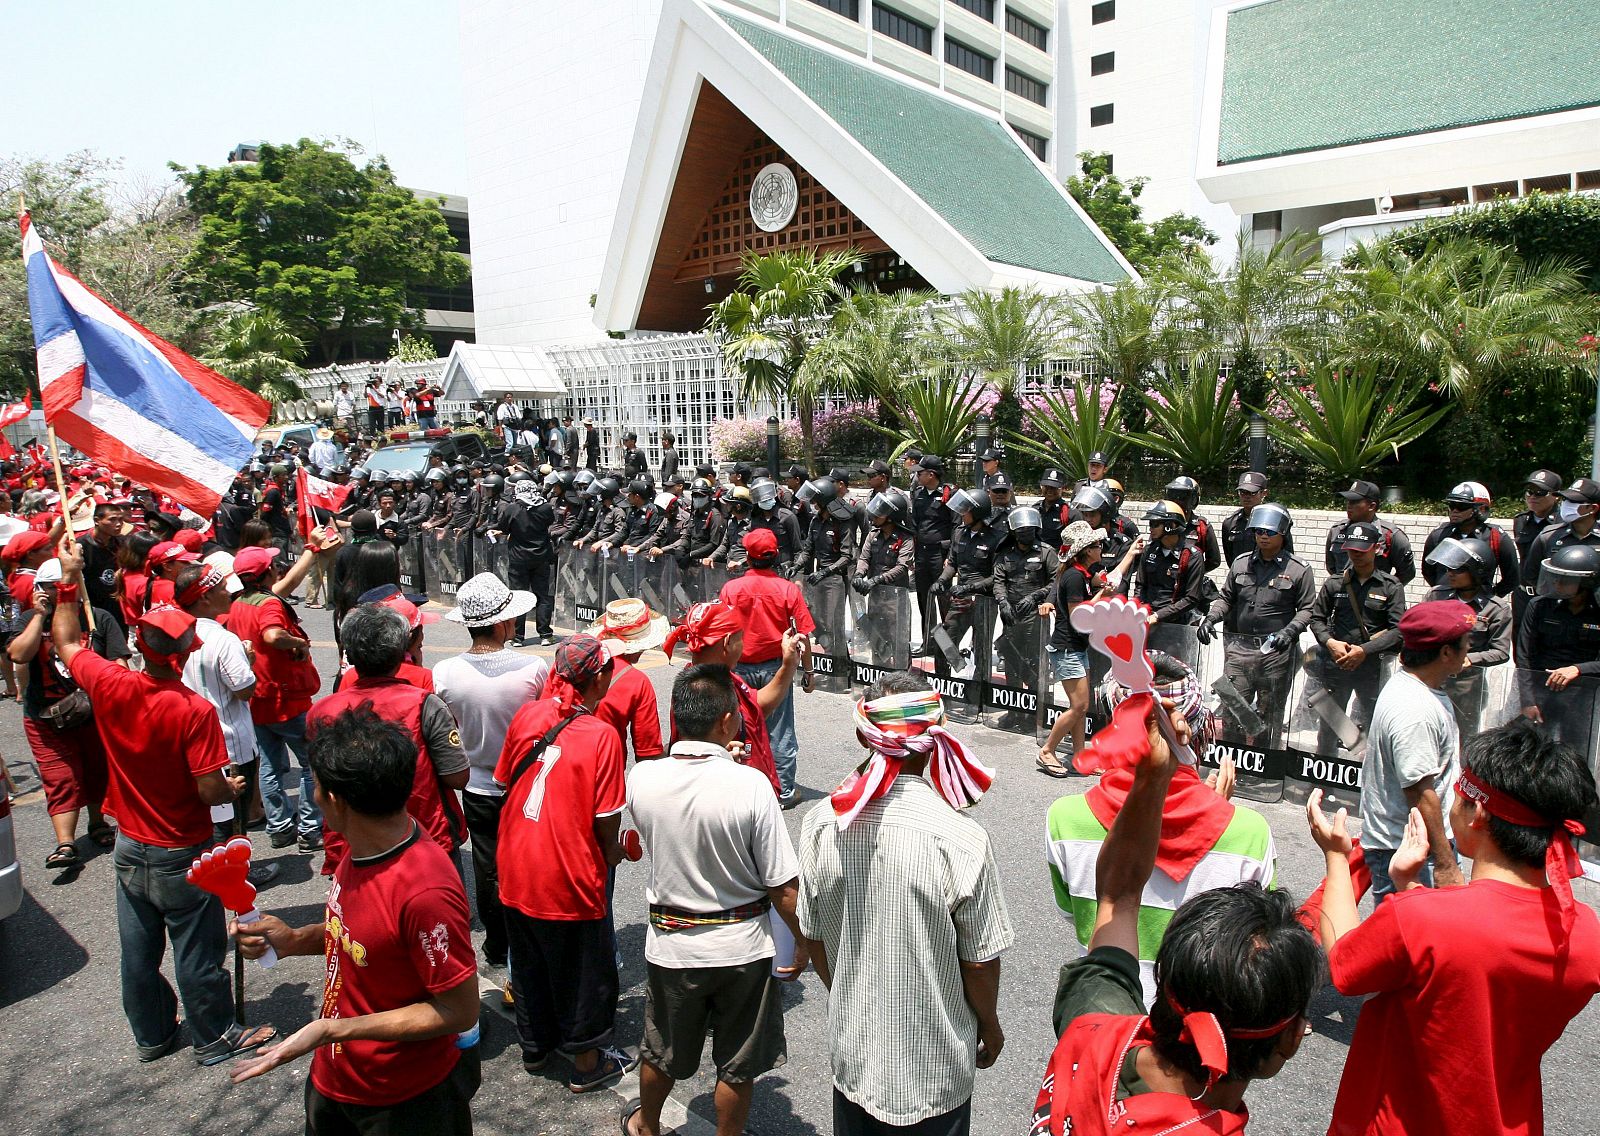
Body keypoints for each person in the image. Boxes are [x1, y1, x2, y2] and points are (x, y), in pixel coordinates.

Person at [1035, 696, 1320, 1136]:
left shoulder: (1090, 1032)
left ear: (1165, 985)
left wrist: (1153, 776)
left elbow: (1117, 897)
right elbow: (1120, 898)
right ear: (1290, 1040)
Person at [1307, 717, 1600, 1136]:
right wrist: (1409, 888)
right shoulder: (1585, 932)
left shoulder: (1425, 919)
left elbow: (1344, 965)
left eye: (1458, 792)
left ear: (1478, 811)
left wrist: (1336, 857)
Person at [52, 538, 277, 1064]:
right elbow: (207, 788)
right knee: (197, 948)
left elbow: (65, 641)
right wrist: (232, 788)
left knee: (138, 950)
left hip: (130, 842)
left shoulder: (108, 682)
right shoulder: (193, 712)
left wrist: (68, 578)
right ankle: (215, 1035)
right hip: (182, 845)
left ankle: (152, 1034)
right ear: (186, 651)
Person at [229, 705, 482, 1133]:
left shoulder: (424, 891)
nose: (310, 794)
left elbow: (459, 1011)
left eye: (315, 784)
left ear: (336, 799)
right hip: (336, 1082)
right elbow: (359, 935)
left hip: (403, 1102)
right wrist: (292, 940)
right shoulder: (364, 843)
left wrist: (334, 1030)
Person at [798, 671, 1009, 1136]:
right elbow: (979, 963)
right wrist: (989, 1026)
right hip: (935, 1070)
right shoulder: (960, 837)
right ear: (936, 739)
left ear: (863, 735)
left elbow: (812, 936)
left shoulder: (821, 823)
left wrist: (849, 995)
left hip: (856, 1058)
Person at [621, 664, 807, 1136]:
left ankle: (646, 1124)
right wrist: (806, 943)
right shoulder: (751, 787)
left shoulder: (641, 779)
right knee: (736, 1063)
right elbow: (782, 887)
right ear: (727, 720)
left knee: (661, 1049)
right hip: (741, 948)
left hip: (672, 946)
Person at [1045, 653, 1274, 1007]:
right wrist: (1220, 811)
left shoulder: (1066, 818)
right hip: (1198, 1035)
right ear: (1196, 727)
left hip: (1106, 1018)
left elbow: (1076, 914)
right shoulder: (1250, 833)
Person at [493, 635, 633, 1091]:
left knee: (530, 961)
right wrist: (615, 852)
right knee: (583, 971)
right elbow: (606, 820)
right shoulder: (602, 735)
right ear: (597, 679)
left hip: (516, 860)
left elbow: (502, 782)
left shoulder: (529, 714)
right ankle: (588, 1063)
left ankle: (535, 1049)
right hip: (567, 870)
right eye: (608, 669)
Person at [434, 574, 548, 969]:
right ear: (501, 624)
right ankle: (529, 939)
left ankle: (497, 945)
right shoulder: (533, 668)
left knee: (486, 866)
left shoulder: (445, 673)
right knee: (531, 861)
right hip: (526, 781)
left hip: (476, 783)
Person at [310, 604, 469, 876]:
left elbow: (323, 786)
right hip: (424, 834)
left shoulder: (321, 711)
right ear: (400, 651)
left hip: (355, 842)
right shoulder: (425, 704)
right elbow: (457, 776)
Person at [10, 555, 128, 872]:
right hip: (45, 715)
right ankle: (65, 843)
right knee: (60, 778)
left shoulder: (97, 618)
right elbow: (19, 654)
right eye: (50, 587)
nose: (60, 591)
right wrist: (38, 616)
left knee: (95, 770)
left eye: (65, 586)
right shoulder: (28, 620)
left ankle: (97, 823)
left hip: (93, 712)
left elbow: (119, 661)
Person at [1360, 600, 1473, 899]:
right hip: (1410, 850)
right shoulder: (1415, 710)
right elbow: (1420, 792)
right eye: (1465, 644)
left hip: (1416, 846)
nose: (1469, 650)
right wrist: (1445, 862)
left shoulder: (1417, 690)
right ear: (1446, 652)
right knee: (1410, 943)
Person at [230, 543, 329, 855]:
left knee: (270, 765)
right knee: (313, 764)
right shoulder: (268, 605)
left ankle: (279, 826)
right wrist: (297, 641)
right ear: (265, 573)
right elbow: (272, 635)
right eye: (272, 566)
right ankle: (311, 830)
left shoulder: (237, 603)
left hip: (258, 699)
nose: (276, 568)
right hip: (285, 699)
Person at [1202, 503, 1314, 747]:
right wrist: (1211, 618)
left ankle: (1264, 769)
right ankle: (1232, 761)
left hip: (1274, 654)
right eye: (1258, 531)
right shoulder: (1241, 563)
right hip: (1239, 650)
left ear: (1282, 534)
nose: (1263, 536)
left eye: (1269, 532)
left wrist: (1290, 631)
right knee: (1233, 708)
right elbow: (1226, 599)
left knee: (1269, 712)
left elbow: (1307, 609)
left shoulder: (1298, 570)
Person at [719, 528, 814, 806]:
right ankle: (783, 791)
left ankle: (738, 786)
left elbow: (721, 631)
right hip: (777, 669)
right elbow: (803, 636)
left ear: (748, 557)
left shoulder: (731, 589)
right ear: (775, 557)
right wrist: (808, 673)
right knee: (779, 731)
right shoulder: (788, 589)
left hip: (739, 669)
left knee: (735, 727)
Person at [173, 563, 263, 850]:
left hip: (190, 744)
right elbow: (244, 690)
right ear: (204, 598)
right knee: (233, 821)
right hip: (230, 747)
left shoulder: (173, 634)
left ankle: (212, 869)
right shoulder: (224, 639)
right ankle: (235, 876)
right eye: (222, 589)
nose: (229, 593)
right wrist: (249, 660)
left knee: (209, 818)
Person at [1037, 523, 1132, 776]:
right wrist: (1102, 592)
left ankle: (1079, 755)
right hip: (1067, 648)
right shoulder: (1074, 577)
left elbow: (1111, 578)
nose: (1101, 549)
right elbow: (1079, 616)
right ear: (1086, 551)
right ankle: (1047, 750)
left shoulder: (1083, 572)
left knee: (1081, 705)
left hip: (1076, 648)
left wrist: (1131, 554)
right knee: (1078, 706)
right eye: (1096, 546)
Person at [1307, 520, 1407, 751]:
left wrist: (1364, 651)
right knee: (1330, 727)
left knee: (1375, 725)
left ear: (1376, 548)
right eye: (1351, 550)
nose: (1356, 555)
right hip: (1337, 664)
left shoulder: (1391, 586)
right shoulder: (1334, 583)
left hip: (1373, 668)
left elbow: (1398, 630)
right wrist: (1330, 643)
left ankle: (1370, 779)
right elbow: (1317, 619)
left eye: (1362, 550)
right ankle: (1322, 780)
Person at [1425, 537, 1513, 739]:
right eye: (1449, 568)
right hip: (1431, 678)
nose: (1450, 574)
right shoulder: (1436, 596)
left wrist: (1470, 659)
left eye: (1458, 570)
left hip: (1467, 686)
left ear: (1477, 572)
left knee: (1465, 739)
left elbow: (1500, 652)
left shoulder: (1496, 609)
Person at [1516, 543, 1600, 744]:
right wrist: (1528, 701)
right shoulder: (1539, 606)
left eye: (1565, 580)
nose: (1557, 584)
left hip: (1583, 698)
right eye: (1555, 577)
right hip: (1541, 694)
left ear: (1585, 583)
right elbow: (1525, 655)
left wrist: (1578, 669)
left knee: (1575, 755)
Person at [1420, 480, 1520, 596]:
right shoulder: (1439, 535)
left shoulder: (1496, 538)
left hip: (1479, 607)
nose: (1455, 511)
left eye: (1461, 506)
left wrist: (1490, 597)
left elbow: (1512, 579)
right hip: (1444, 603)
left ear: (1481, 509)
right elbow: (1428, 571)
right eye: (1452, 506)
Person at [1521, 476, 1600, 599]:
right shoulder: (1548, 536)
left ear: (1592, 508)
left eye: (1573, 501)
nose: (1566, 505)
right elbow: (1532, 576)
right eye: (1565, 499)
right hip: (1557, 607)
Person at [1324, 479, 1415, 583]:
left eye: (1355, 501)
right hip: (1342, 594)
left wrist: (1386, 590)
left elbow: (1407, 573)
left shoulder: (1390, 535)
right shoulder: (1337, 531)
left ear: (1372, 506)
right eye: (1348, 501)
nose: (1349, 505)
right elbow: (1331, 567)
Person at [1512, 469, 1565, 623]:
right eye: (1529, 492)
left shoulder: (1562, 523)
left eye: (1540, 492)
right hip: (1523, 595)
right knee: (1519, 642)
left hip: (1551, 596)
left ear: (1556, 496)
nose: (1533, 497)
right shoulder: (1521, 521)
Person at [1220, 472, 1294, 565]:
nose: (1247, 496)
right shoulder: (1230, 523)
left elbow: (1288, 553)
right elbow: (1230, 559)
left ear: (1264, 493)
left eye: (1252, 493)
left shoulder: (1276, 521)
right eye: (1243, 492)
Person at [1163, 476, 1221, 573]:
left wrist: (1193, 573)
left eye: (1182, 497)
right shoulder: (1160, 523)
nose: (1177, 501)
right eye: (1173, 496)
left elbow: (1214, 561)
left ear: (1194, 500)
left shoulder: (1201, 526)